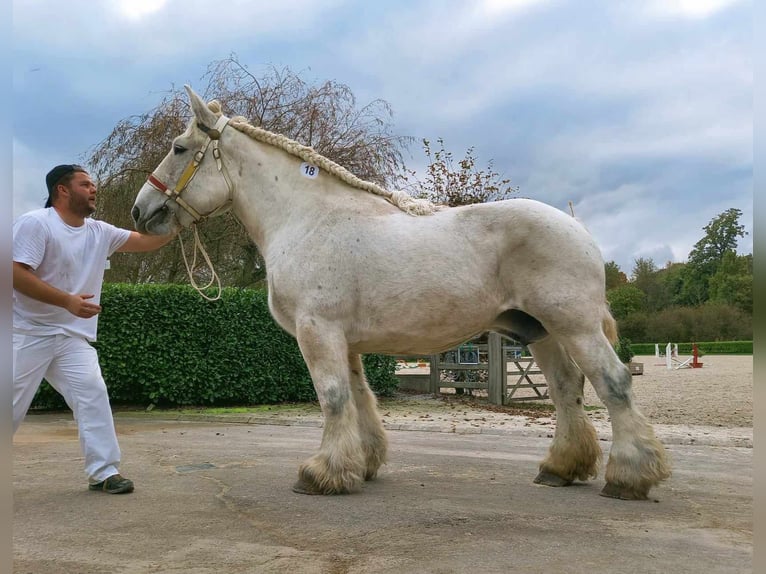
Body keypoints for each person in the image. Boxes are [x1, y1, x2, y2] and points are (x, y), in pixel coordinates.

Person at [13, 164, 176, 494]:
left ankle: (104, 471)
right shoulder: (35, 224)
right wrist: (67, 302)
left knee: (92, 394)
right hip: (24, 332)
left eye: (93, 185)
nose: (93, 189)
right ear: (62, 190)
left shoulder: (99, 231)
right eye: (85, 184)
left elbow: (146, 241)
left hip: (71, 338)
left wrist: (181, 220)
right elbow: (14, 273)